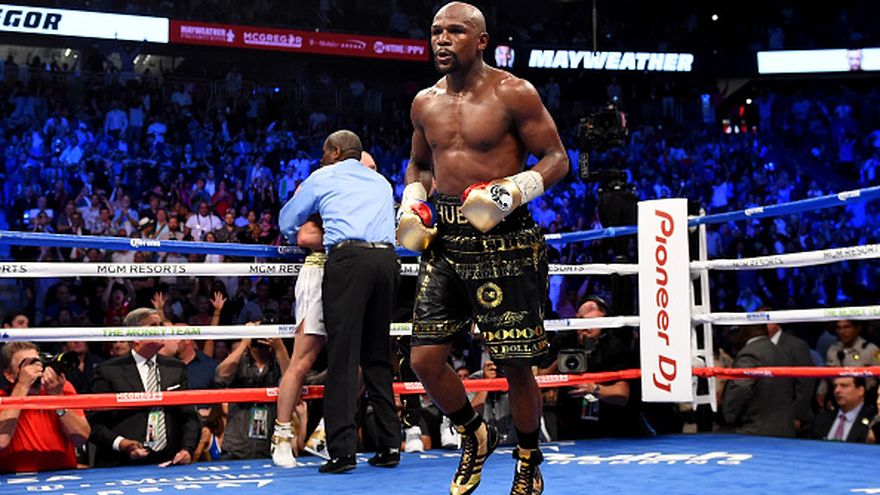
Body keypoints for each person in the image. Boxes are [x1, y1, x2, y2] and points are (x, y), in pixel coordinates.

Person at [399, 3, 568, 494]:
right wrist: (412, 200)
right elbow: (419, 164)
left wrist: (514, 190)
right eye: (436, 31)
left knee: (515, 363)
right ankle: (474, 432)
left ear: (481, 40)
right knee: (424, 359)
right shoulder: (424, 102)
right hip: (446, 239)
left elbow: (557, 158)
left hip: (505, 238)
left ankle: (528, 461)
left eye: (455, 31)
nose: (442, 39)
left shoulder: (513, 93)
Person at [279, 130, 400, 474]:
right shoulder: (382, 183)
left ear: (335, 152)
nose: (321, 157)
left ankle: (343, 451)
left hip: (349, 261)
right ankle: (390, 445)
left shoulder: (324, 176)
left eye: (324, 152)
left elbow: (288, 222)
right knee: (377, 354)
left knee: (344, 355)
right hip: (386, 262)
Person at [88, 308, 200, 467]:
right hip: (120, 464)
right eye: (153, 326)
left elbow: (188, 415)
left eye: (161, 325)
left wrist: (187, 449)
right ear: (135, 336)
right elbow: (93, 423)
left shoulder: (175, 368)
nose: (160, 330)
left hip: (168, 462)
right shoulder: (108, 370)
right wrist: (123, 444)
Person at [0, 341, 91, 472]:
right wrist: (22, 386)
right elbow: (1, 440)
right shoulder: (2, 397)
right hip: (14, 477)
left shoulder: (61, 388)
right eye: (27, 365)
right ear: (9, 375)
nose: (36, 370)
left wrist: (57, 397)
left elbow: (80, 438)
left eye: (37, 363)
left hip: (62, 474)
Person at [721, 324, 796, 437]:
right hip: (784, 429)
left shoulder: (750, 353)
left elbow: (741, 386)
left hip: (754, 430)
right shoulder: (781, 351)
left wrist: (729, 416)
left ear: (746, 329)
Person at [812, 377, 875, 443]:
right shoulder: (820, 419)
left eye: (844, 386)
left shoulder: (873, 420)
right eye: (835, 386)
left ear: (860, 391)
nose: (837, 390)